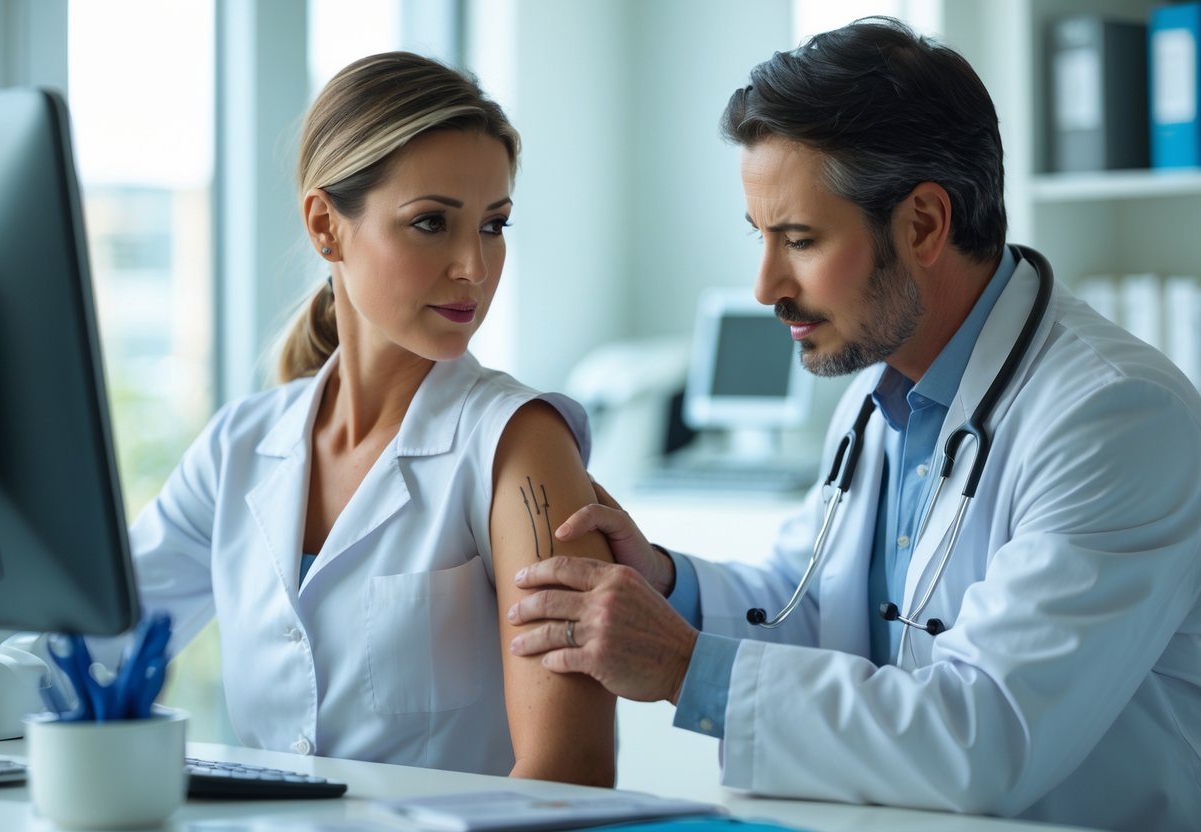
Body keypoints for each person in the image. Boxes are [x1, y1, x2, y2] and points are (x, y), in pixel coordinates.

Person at [505, 17, 1201, 830]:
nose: (765, 286)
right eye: (759, 237)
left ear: (923, 224)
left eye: (797, 239)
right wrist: (666, 583)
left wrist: (686, 667)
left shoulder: (1111, 419)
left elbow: (982, 738)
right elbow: (808, 602)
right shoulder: (881, 390)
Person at [122, 52, 616, 784]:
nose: (473, 268)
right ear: (327, 225)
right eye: (430, 223)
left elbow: (566, 771)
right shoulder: (240, 446)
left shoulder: (519, 446)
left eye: (493, 225)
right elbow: (92, 636)